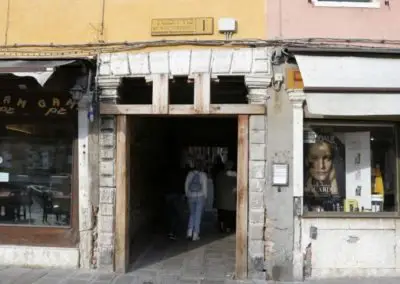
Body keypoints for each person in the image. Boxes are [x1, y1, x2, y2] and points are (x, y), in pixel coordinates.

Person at [184, 159, 208, 241]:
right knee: (198, 215)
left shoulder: (190, 174)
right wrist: (205, 197)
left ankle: (189, 232)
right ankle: (195, 234)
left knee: (192, 214)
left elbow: (186, 184)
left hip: (191, 196)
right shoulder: (203, 175)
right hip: (200, 196)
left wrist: (187, 194)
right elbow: (204, 187)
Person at [215, 160, 237, 233]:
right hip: (230, 199)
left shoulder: (219, 174)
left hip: (220, 199)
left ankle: (221, 227)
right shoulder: (235, 175)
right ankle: (228, 228)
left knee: (221, 214)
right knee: (229, 215)